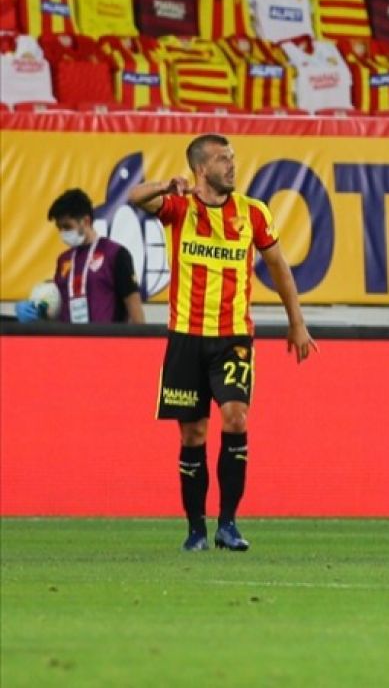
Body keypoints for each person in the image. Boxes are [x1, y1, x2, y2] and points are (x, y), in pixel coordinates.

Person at [127, 133, 317, 552]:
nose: (232, 165)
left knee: (235, 418)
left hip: (233, 337)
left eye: (232, 157)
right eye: (222, 159)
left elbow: (278, 266)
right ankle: (196, 529)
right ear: (201, 168)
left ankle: (228, 524)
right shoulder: (180, 208)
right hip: (186, 337)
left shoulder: (253, 212)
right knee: (193, 434)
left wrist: (297, 322)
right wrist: (165, 185)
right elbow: (134, 197)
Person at [16, 189, 145, 324]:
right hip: (69, 337)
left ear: (86, 221)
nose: (63, 232)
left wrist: (142, 336)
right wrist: (37, 310)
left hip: (106, 337)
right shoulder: (63, 260)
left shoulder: (116, 254)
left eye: (67, 226)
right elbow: (57, 309)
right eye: (59, 228)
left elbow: (135, 309)